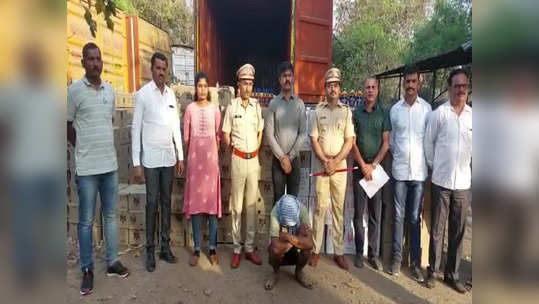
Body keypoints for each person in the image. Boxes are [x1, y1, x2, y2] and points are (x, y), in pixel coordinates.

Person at [67, 42, 129, 295]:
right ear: (83, 63)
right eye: (90, 59)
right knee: (85, 221)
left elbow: (108, 122)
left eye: (98, 59)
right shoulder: (73, 92)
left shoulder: (109, 92)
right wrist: (82, 146)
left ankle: (112, 261)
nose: (95, 63)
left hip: (109, 166)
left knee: (111, 215)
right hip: (87, 168)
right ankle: (86, 269)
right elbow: (67, 126)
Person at [131, 52, 184, 272]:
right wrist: (136, 162)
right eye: (158, 68)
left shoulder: (171, 95)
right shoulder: (143, 95)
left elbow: (175, 128)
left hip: (168, 158)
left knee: (165, 203)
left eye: (164, 68)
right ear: (151, 69)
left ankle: (164, 248)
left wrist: (180, 156)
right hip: (151, 161)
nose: (161, 72)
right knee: (152, 203)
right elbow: (136, 128)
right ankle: (150, 251)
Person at [424, 68, 472, 293]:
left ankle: (452, 275)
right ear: (449, 87)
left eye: (464, 86)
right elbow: (428, 144)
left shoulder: (474, 116)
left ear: (468, 88)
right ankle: (432, 271)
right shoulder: (439, 114)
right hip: (441, 181)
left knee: (458, 231)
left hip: (463, 183)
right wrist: (436, 168)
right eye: (457, 86)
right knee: (437, 229)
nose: (461, 90)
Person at [388, 65, 432, 282]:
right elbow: (393, 141)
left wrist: (427, 165)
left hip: (419, 174)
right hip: (400, 172)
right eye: (407, 82)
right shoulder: (395, 110)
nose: (410, 86)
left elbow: (429, 141)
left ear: (419, 83)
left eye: (414, 82)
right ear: (404, 83)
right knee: (397, 216)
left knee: (414, 218)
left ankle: (414, 263)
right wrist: (400, 157)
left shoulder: (427, 110)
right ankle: (396, 259)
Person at [309, 67, 355, 270]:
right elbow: (313, 139)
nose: (333, 89)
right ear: (325, 88)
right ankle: (315, 250)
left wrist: (335, 162)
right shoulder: (318, 111)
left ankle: (338, 251)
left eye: (336, 85)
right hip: (322, 164)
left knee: (338, 208)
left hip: (340, 167)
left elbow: (350, 140)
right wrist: (326, 161)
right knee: (319, 208)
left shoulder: (346, 112)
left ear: (339, 88)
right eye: (329, 85)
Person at [222, 63, 264, 268]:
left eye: (250, 84)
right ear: (238, 84)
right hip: (238, 160)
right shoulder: (232, 107)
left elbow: (260, 131)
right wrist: (233, 152)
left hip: (253, 161)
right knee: (237, 206)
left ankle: (249, 248)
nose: (247, 87)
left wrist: (255, 148)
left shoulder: (256, 107)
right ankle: (237, 249)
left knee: (250, 206)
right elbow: (225, 133)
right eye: (244, 83)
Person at [350, 77, 391, 270]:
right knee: (359, 214)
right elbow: (353, 142)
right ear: (362, 90)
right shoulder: (356, 114)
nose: (370, 90)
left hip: (376, 171)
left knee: (375, 214)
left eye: (373, 87)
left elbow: (386, 143)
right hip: (359, 170)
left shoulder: (383, 113)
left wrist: (373, 165)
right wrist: (363, 165)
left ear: (378, 90)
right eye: (367, 87)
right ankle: (359, 252)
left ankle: (373, 255)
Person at [182, 72, 222, 266]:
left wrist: (210, 155)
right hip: (195, 165)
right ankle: (197, 249)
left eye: (206, 86)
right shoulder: (189, 109)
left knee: (212, 209)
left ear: (209, 89)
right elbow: (187, 138)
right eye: (199, 86)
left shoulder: (215, 110)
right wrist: (196, 155)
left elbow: (218, 137)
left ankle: (212, 249)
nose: (203, 89)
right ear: (195, 88)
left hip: (210, 165)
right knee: (196, 208)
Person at [264, 61, 307, 201]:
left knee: (293, 200)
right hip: (278, 160)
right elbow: (269, 135)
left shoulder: (299, 104)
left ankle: (291, 224)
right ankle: (278, 224)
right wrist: (282, 157)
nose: (287, 79)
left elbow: (302, 133)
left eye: (289, 75)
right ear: (279, 80)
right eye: (284, 76)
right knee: (278, 200)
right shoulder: (273, 104)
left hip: (294, 160)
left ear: (293, 78)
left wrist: (290, 157)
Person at [264, 195, 315, 290]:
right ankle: (275, 272)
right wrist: (299, 239)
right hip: (283, 248)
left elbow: (310, 244)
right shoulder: (275, 213)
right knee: (273, 251)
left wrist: (287, 236)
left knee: (307, 250)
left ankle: (299, 272)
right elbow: (275, 246)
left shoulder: (302, 211)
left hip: (287, 244)